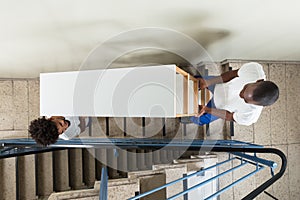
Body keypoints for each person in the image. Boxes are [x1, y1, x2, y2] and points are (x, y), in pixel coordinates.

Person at [183, 62, 279, 126]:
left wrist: (207, 109)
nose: (240, 95)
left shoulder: (250, 116)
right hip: (219, 84)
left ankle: (185, 118)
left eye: (245, 100)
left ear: (258, 105)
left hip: (219, 107)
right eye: (244, 88)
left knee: (197, 118)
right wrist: (209, 82)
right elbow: (232, 74)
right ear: (258, 80)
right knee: (194, 81)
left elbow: (230, 116)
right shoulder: (254, 70)